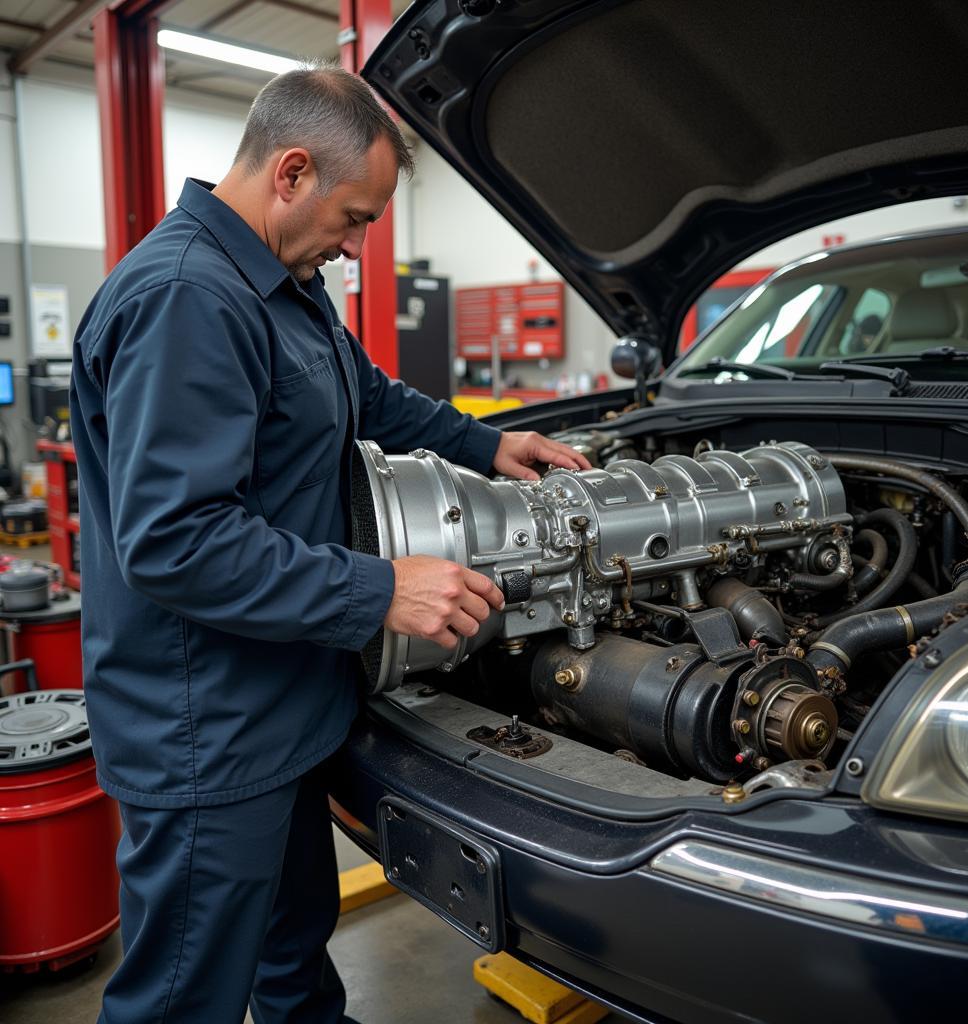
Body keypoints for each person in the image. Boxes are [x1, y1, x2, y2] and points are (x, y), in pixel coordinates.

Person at [69, 62, 589, 1024]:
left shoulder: (282, 281)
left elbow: (366, 396)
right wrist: (380, 589)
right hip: (207, 734)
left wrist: (489, 441)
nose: (355, 247)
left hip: (283, 706)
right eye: (355, 217)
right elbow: (177, 541)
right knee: (184, 996)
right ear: (293, 172)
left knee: (292, 961)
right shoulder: (187, 298)